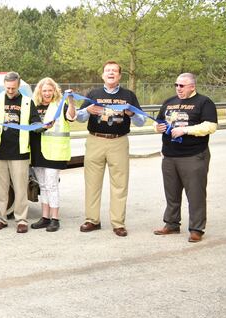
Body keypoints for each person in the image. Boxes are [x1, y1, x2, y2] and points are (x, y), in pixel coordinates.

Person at [76, 60, 145, 237]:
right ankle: (92, 220)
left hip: (118, 142)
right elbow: (80, 118)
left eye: (114, 71)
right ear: (103, 75)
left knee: (120, 184)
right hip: (95, 140)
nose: (111, 73)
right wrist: (88, 110)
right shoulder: (93, 93)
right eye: (108, 70)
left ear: (120, 75)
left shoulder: (129, 95)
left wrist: (131, 113)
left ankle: (118, 223)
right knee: (92, 183)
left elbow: (141, 121)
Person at [153, 73, 217, 243]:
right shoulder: (169, 102)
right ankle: (172, 224)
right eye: (176, 85)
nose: (178, 88)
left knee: (195, 193)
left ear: (192, 86)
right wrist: (157, 127)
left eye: (182, 85)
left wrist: (185, 130)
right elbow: (158, 121)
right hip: (169, 155)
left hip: (193, 155)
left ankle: (196, 228)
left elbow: (210, 126)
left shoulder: (204, 102)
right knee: (171, 193)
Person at [0, 72, 41, 234]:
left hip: (19, 152)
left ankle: (21, 219)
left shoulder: (27, 102)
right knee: (1, 188)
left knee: (20, 189)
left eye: (13, 88)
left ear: (18, 85)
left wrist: (41, 125)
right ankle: (1, 218)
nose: (10, 91)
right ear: (4, 85)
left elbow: (35, 122)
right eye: (7, 88)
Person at [29, 78, 76, 232]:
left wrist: (71, 101)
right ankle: (45, 217)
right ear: (39, 92)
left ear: (55, 91)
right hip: (37, 151)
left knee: (51, 185)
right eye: (44, 91)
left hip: (54, 152)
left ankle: (55, 218)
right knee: (42, 186)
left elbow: (71, 117)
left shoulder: (60, 105)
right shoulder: (33, 106)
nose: (47, 93)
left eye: (50, 90)